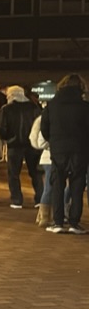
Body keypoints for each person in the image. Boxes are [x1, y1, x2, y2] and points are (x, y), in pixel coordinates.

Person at [40, 73, 89, 234]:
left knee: (58, 185)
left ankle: (58, 221)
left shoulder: (51, 106)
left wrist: (54, 141)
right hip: (80, 149)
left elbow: (44, 129)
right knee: (77, 185)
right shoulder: (85, 107)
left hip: (58, 149)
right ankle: (75, 222)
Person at [0, 85, 42, 208]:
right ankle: (40, 198)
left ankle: (17, 200)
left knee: (13, 173)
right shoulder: (33, 107)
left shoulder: (6, 109)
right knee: (35, 172)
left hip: (14, 145)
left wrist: (7, 138)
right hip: (32, 145)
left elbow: (0, 128)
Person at [29, 112, 53, 228]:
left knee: (50, 187)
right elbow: (41, 141)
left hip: (47, 157)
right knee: (50, 187)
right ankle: (45, 217)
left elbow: (36, 140)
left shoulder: (43, 119)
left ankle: (43, 216)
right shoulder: (49, 120)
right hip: (51, 158)